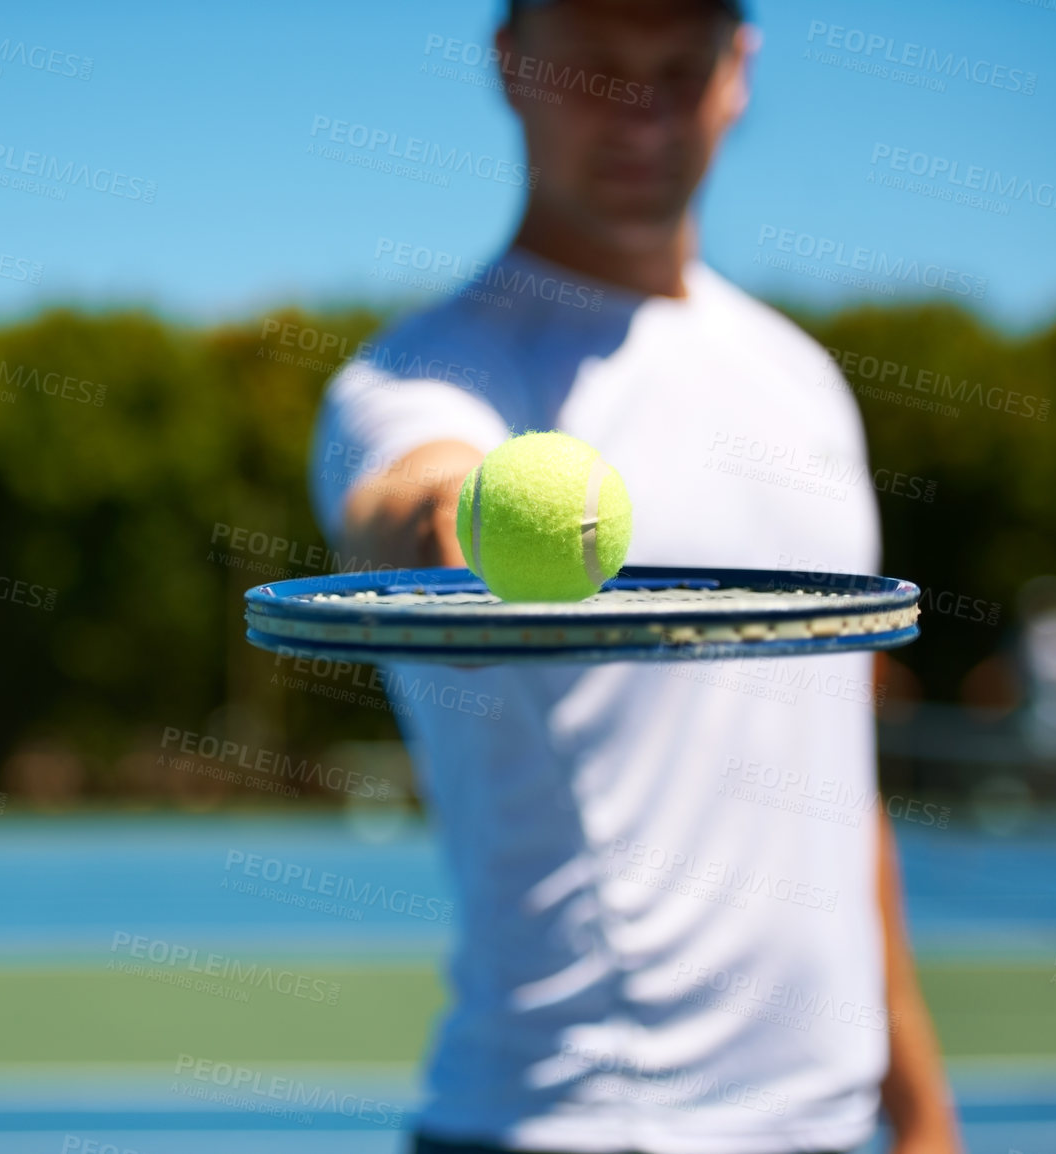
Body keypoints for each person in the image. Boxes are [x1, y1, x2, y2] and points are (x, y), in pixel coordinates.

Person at [306, 1, 963, 1151]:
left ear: (740, 71)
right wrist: (447, 511)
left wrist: (920, 1112)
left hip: (826, 1127)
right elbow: (404, 491)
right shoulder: (423, 372)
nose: (640, 112)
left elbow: (835, 784)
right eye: (595, 69)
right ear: (510, 63)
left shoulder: (802, 379)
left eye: (677, 67)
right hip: (569, 1122)